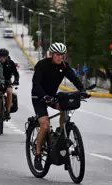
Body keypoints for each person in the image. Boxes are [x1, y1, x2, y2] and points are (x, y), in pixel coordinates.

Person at [31, 42, 89, 170]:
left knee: (65, 109)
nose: (60, 57)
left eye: (62, 55)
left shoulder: (64, 66)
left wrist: (82, 90)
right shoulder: (42, 65)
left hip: (52, 96)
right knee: (45, 125)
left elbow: (74, 78)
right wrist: (44, 96)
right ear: (51, 54)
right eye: (58, 55)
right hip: (39, 97)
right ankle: (38, 155)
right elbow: (36, 84)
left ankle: (62, 134)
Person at [0, 48, 19, 120]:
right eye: (1, 56)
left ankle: (8, 111)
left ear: (7, 57)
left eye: (4, 56)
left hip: (7, 82)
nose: (2, 58)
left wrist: (16, 81)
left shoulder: (11, 63)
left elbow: (16, 74)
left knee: (9, 92)